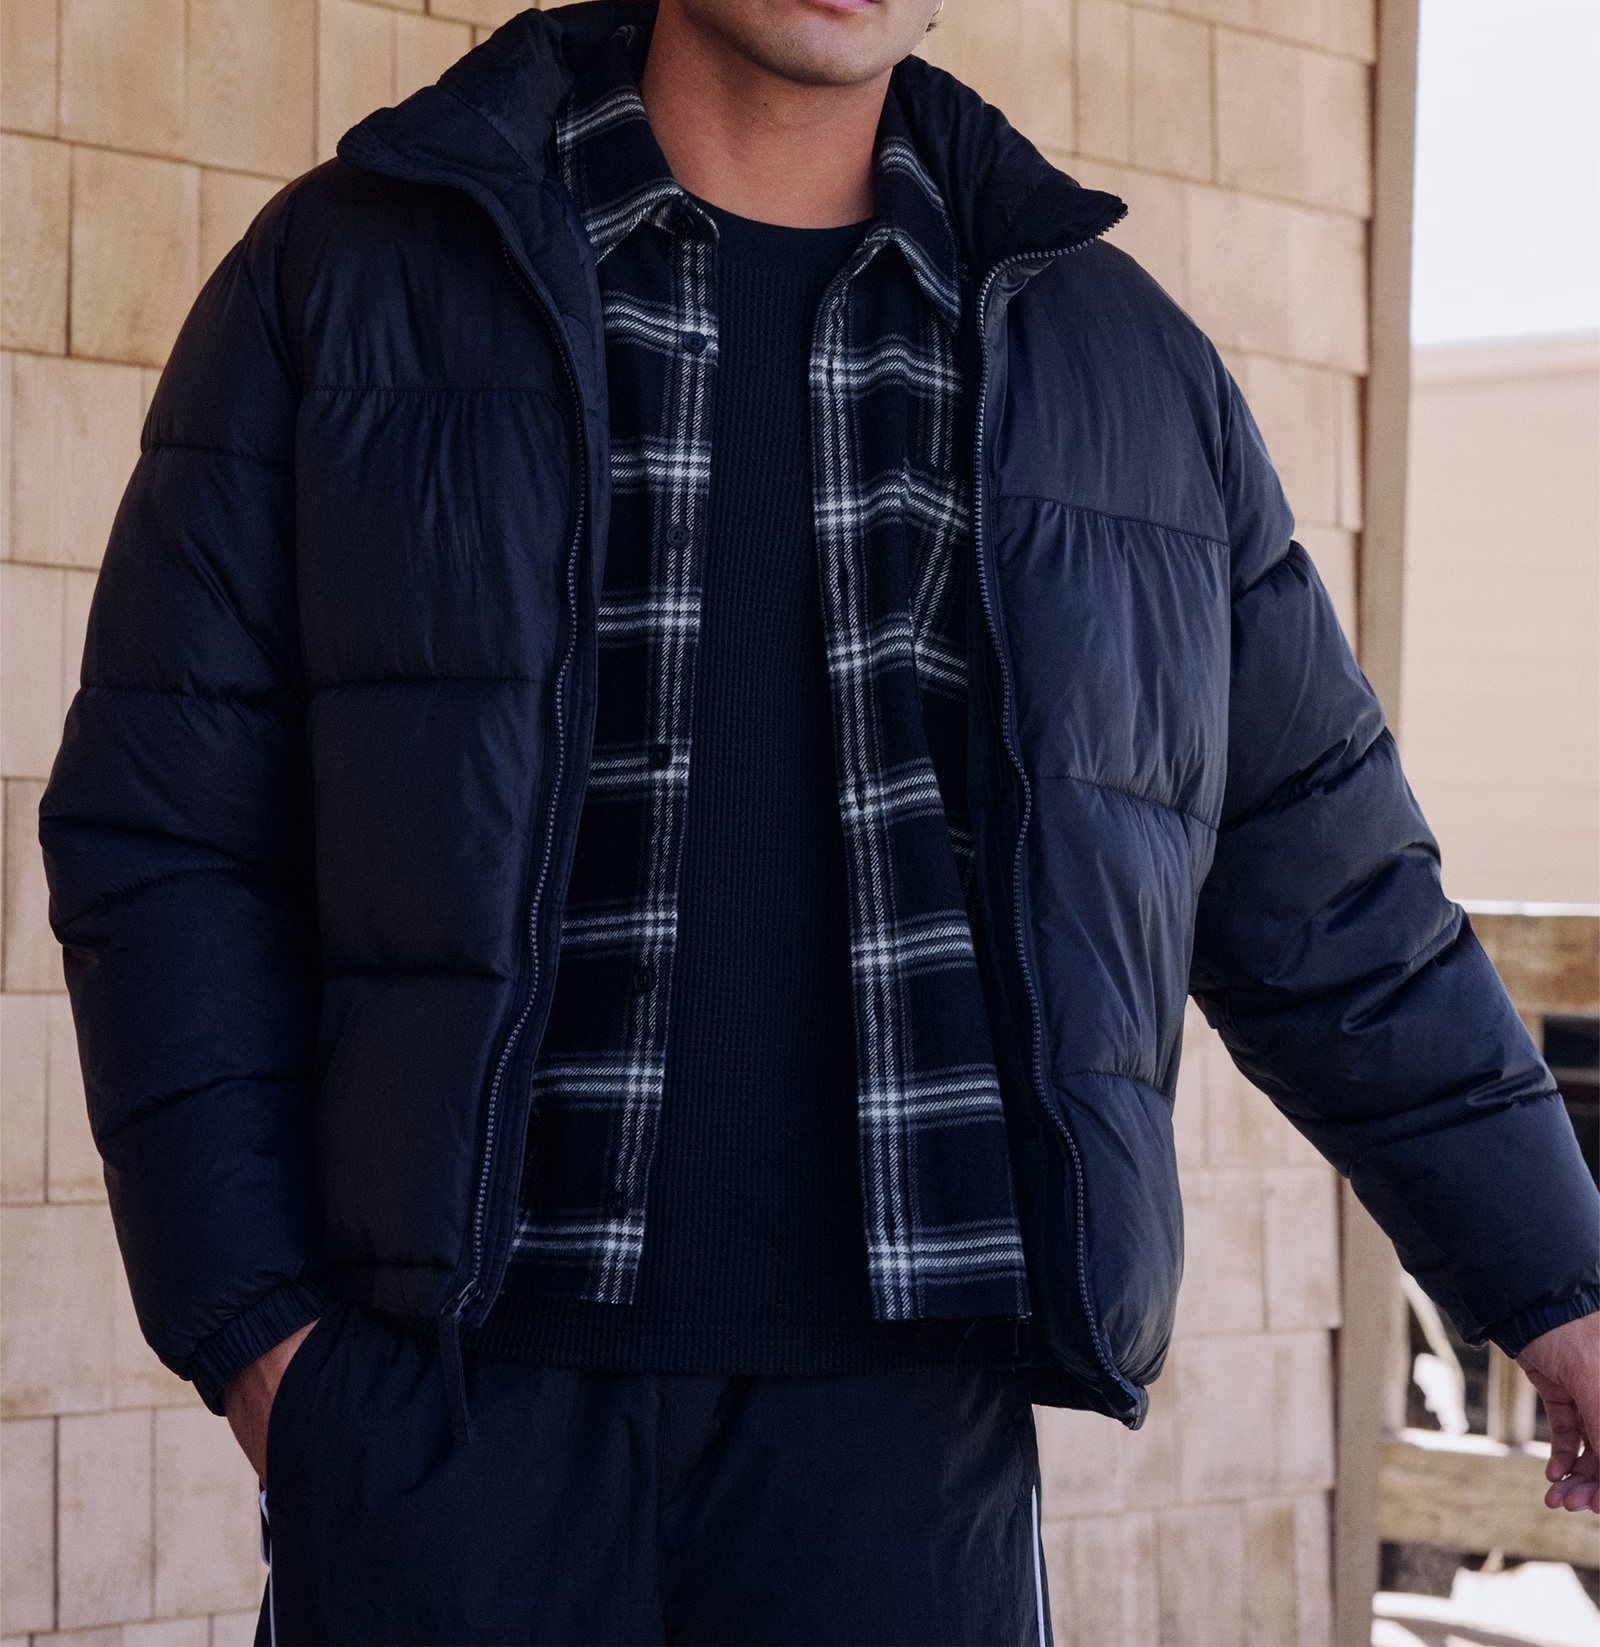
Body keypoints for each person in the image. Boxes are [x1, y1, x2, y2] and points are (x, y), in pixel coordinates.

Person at [39, 0, 1599, 1641]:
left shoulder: (1127, 373)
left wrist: (1558, 1286)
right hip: (448, 1444)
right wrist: (269, 1347)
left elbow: (1338, 903)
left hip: (905, 1477)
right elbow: (165, 834)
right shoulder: (344, 281)